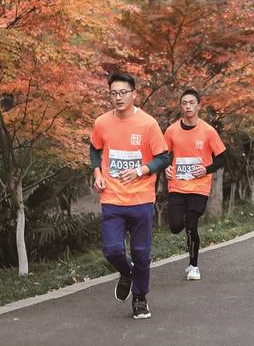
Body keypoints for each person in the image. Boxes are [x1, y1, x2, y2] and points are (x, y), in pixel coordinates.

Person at [90, 72, 169, 320]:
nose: (118, 97)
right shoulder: (102, 122)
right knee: (112, 250)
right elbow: (94, 148)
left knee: (141, 253)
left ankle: (139, 299)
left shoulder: (148, 124)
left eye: (123, 92)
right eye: (113, 93)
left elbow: (164, 157)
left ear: (134, 94)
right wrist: (97, 172)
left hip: (141, 199)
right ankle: (127, 272)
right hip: (112, 197)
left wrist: (139, 170)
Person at [164, 89, 226, 281]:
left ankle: (193, 265)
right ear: (180, 106)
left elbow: (222, 158)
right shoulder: (172, 130)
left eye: (192, 102)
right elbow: (162, 155)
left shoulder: (208, 131)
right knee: (175, 226)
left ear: (199, 106)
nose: (188, 106)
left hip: (199, 187)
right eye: (184, 103)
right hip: (177, 185)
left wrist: (206, 169)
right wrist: (165, 167)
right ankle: (182, 226)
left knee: (191, 224)